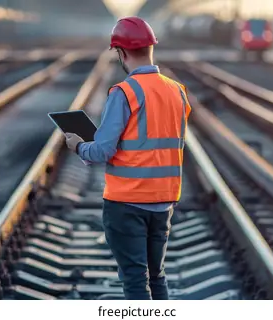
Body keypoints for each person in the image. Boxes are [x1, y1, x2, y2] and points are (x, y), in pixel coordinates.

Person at [64, 16, 192, 300]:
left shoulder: (124, 92)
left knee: (135, 280)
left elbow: (103, 151)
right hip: (163, 202)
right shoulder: (177, 91)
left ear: (121, 53)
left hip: (127, 204)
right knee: (156, 276)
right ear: (150, 48)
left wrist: (77, 146)